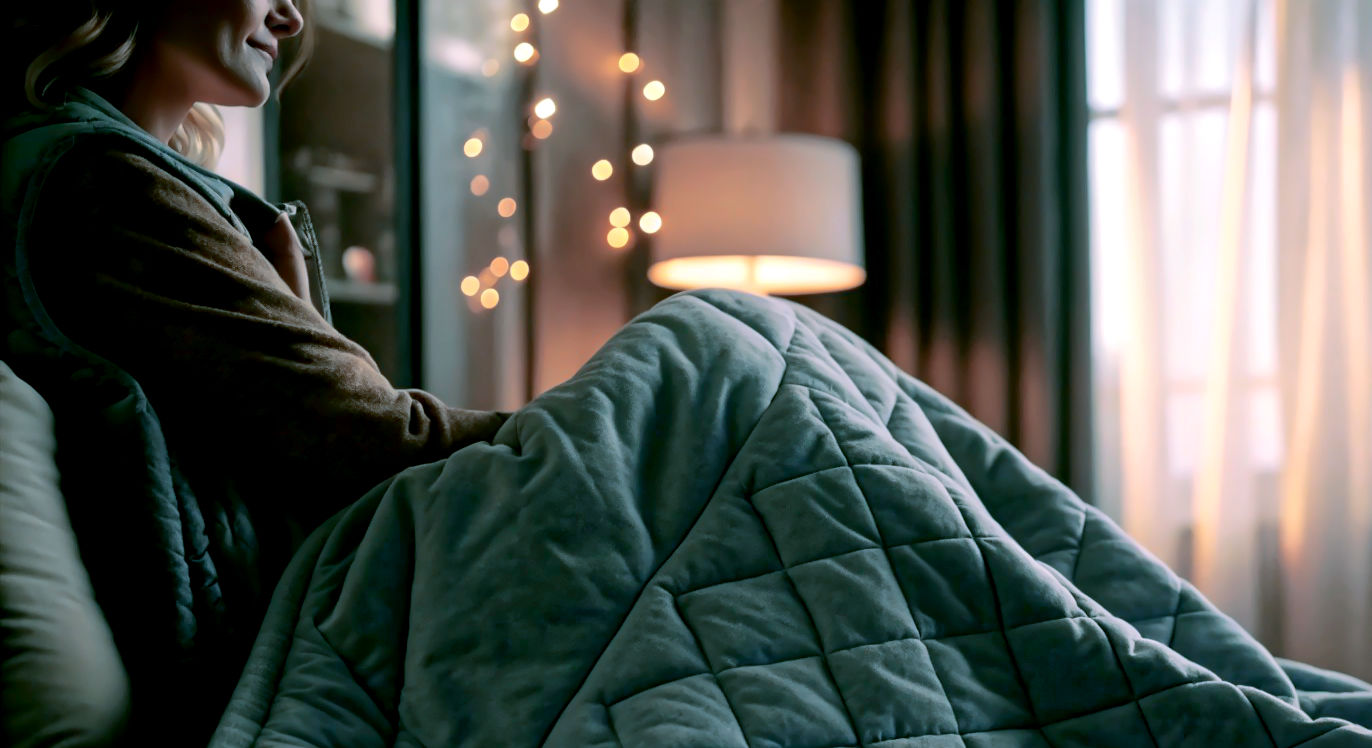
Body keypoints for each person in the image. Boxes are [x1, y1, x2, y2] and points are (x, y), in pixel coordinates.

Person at [2, 1, 506, 736]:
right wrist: (594, 425)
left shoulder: (82, 167)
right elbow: (378, 445)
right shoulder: (105, 185)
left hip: (277, 629)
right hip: (256, 659)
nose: (292, 18)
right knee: (695, 355)